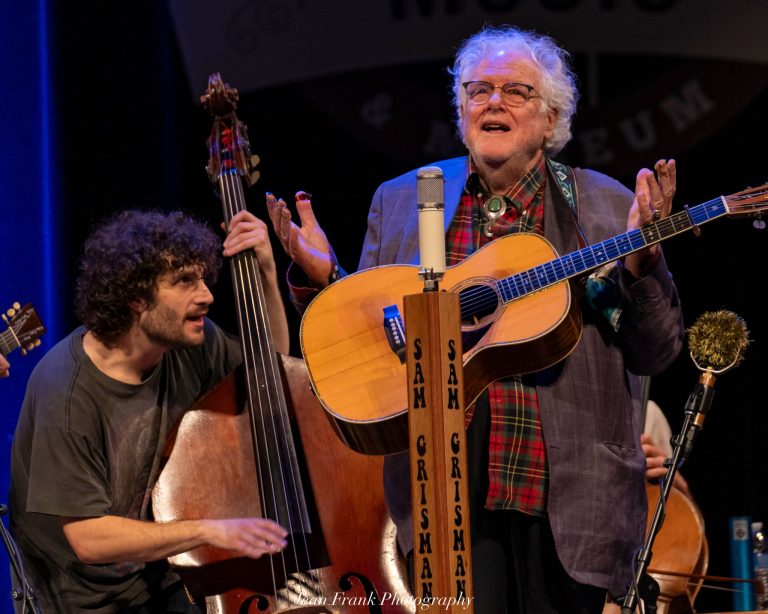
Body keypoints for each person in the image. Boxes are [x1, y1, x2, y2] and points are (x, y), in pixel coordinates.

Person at [268, 25, 684, 613]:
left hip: (571, 501)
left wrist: (643, 268)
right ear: (461, 108)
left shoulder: (605, 204)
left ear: (550, 118)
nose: (493, 102)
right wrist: (324, 281)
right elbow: (369, 347)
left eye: (515, 91)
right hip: (443, 495)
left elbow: (657, 351)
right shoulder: (400, 201)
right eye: (478, 89)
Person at [9, 209, 290, 613]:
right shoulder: (66, 394)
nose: (207, 295)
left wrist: (265, 271)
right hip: (79, 599)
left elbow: (273, 377)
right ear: (136, 298)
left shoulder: (189, 344)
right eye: (184, 281)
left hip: (164, 577)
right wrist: (210, 530)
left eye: (203, 278)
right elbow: (89, 539)